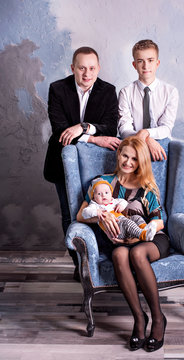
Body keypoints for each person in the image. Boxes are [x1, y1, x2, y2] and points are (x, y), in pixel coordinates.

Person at [77, 136, 170, 352]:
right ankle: (139, 319)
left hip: (150, 239)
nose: (128, 162)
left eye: (134, 159)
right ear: (118, 155)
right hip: (121, 241)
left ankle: (158, 319)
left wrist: (143, 233)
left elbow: (159, 221)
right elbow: (81, 214)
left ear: (140, 162)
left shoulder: (146, 188)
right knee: (119, 255)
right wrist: (100, 216)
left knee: (137, 254)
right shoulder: (102, 183)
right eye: (125, 156)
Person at [43, 46, 121, 280]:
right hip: (61, 163)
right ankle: (80, 264)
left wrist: (83, 127)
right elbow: (60, 130)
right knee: (69, 214)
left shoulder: (108, 91)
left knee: (98, 211)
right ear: (73, 68)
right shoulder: (57, 89)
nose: (87, 74)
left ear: (98, 68)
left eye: (92, 68)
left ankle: (98, 260)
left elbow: (112, 126)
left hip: (97, 168)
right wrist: (93, 137)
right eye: (81, 68)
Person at [118, 39, 179, 161]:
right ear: (134, 65)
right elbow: (124, 129)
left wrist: (146, 133)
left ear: (157, 63)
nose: (146, 66)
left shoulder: (170, 92)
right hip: (134, 144)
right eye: (140, 61)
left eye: (150, 60)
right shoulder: (126, 92)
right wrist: (145, 138)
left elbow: (166, 128)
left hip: (160, 143)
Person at [82, 179, 157, 242]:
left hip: (124, 223)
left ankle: (145, 229)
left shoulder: (113, 201)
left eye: (106, 193)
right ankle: (143, 235)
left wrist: (121, 205)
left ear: (111, 194)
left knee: (136, 217)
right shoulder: (95, 205)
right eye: (99, 194)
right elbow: (84, 213)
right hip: (116, 230)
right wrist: (96, 212)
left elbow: (123, 201)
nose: (103, 195)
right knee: (127, 223)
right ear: (94, 197)